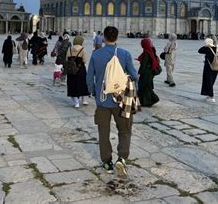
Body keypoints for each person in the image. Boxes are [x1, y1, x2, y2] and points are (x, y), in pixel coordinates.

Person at [86, 26, 138, 178]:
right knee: (125, 130)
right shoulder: (125, 54)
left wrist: (93, 92)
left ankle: (107, 162)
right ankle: (122, 158)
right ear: (117, 37)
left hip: (102, 101)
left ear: (103, 37)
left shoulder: (96, 55)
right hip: (121, 100)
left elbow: (90, 78)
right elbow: (134, 76)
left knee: (104, 132)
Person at [66, 36, 90, 108]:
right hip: (80, 69)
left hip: (71, 70)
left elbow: (67, 59)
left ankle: (76, 102)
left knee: (73, 84)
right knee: (83, 83)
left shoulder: (69, 49)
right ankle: (84, 100)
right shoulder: (83, 49)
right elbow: (85, 60)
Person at [136, 38, 160, 107]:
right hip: (150, 72)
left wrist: (139, 73)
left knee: (145, 87)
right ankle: (146, 101)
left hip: (146, 73)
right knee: (147, 87)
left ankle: (150, 101)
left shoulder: (146, 52)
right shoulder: (150, 51)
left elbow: (144, 65)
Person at [198, 38, 218, 103]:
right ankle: (209, 95)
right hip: (215, 67)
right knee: (211, 81)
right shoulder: (217, 48)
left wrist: (206, 45)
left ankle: (211, 96)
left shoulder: (207, 49)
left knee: (208, 82)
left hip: (208, 68)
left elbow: (199, 50)